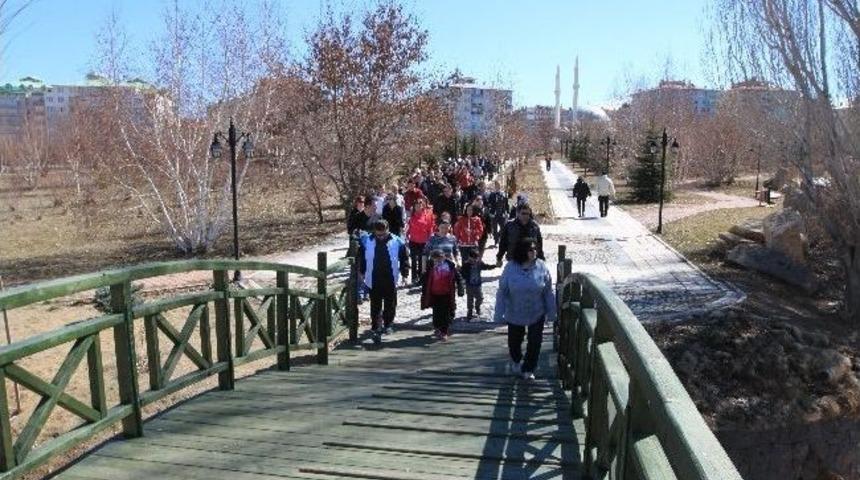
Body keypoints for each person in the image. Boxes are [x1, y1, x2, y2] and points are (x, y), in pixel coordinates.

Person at [494, 238, 556, 381]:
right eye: (530, 249)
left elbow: (547, 291)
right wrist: (498, 313)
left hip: (536, 310)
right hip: (515, 311)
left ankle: (529, 368)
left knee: (535, 341)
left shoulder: (541, 266)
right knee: (514, 342)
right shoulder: (510, 267)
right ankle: (516, 360)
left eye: (535, 249)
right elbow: (502, 291)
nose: (534, 252)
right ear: (523, 251)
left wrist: (552, 312)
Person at [357, 220, 410, 344]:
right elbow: (362, 258)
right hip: (373, 277)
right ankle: (375, 327)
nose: (380, 237)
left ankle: (388, 324)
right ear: (374, 231)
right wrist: (361, 271)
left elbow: (404, 259)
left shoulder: (398, 241)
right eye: (378, 234)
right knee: (375, 305)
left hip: (390, 277)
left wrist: (405, 274)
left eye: (383, 234)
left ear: (388, 230)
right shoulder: (367, 241)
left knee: (390, 303)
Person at [421, 249, 464, 341]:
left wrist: (461, 288)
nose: (437, 261)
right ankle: (437, 327)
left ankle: (444, 331)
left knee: (446, 313)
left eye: (439, 259)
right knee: (436, 312)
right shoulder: (430, 266)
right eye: (435, 259)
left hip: (447, 293)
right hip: (434, 293)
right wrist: (424, 292)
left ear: (444, 257)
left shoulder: (450, 266)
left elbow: (458, 278)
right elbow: (425, 280)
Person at [460, 249, 497, 320]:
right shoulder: (466, 264)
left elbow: (486, 267)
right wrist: (462, 277)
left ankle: (477, 306)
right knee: (470, 299)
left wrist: (495, 266)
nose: (475, 260)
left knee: (480, 298)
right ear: (469, 257)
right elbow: (462, 273)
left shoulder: (479, 263)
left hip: (477, 285)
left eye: (476, 258)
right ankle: (470, 311)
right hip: (469, 285)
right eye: (473, 258)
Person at [406, 198, 435, 285]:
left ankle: (421, 278)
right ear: (414, 206)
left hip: (424, 241)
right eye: (416, 205)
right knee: (414, 260)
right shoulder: (412, 216)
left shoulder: (428, 215)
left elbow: (430, 228)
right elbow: (409, 227)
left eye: (420, 205)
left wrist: (430, 239)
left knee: (422, 260)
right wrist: (407, 235)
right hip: (413, 241)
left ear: (422, 206)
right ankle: (414, 278)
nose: (418, 206)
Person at [485, 182, 509, 247]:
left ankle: (499, 237)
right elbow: (488, 204)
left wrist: (507, 212)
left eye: (498, 185)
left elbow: (506, 204)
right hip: (494, 214)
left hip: (502, 214)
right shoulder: (492, 195)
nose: (497, 187)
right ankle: (496, 241)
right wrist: (490, 212)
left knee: (503, 228)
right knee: (494, 228)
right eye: (496, 186)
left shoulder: (503, 194)